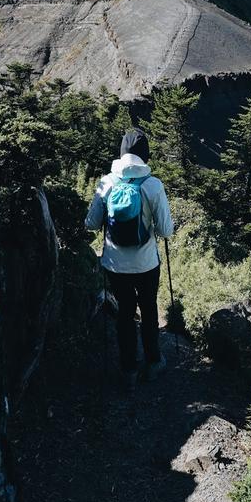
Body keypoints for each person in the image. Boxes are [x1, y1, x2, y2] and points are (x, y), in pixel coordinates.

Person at [85, 127, 174, 394]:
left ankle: (129, 370)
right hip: (147, 263)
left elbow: (91, 224)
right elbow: (166, 230)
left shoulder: (107, 183)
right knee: (148, 310)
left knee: (125, 313)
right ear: (145, 156)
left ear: (122, 154)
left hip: (114, 264)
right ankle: (154, 361)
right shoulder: (153, 185)